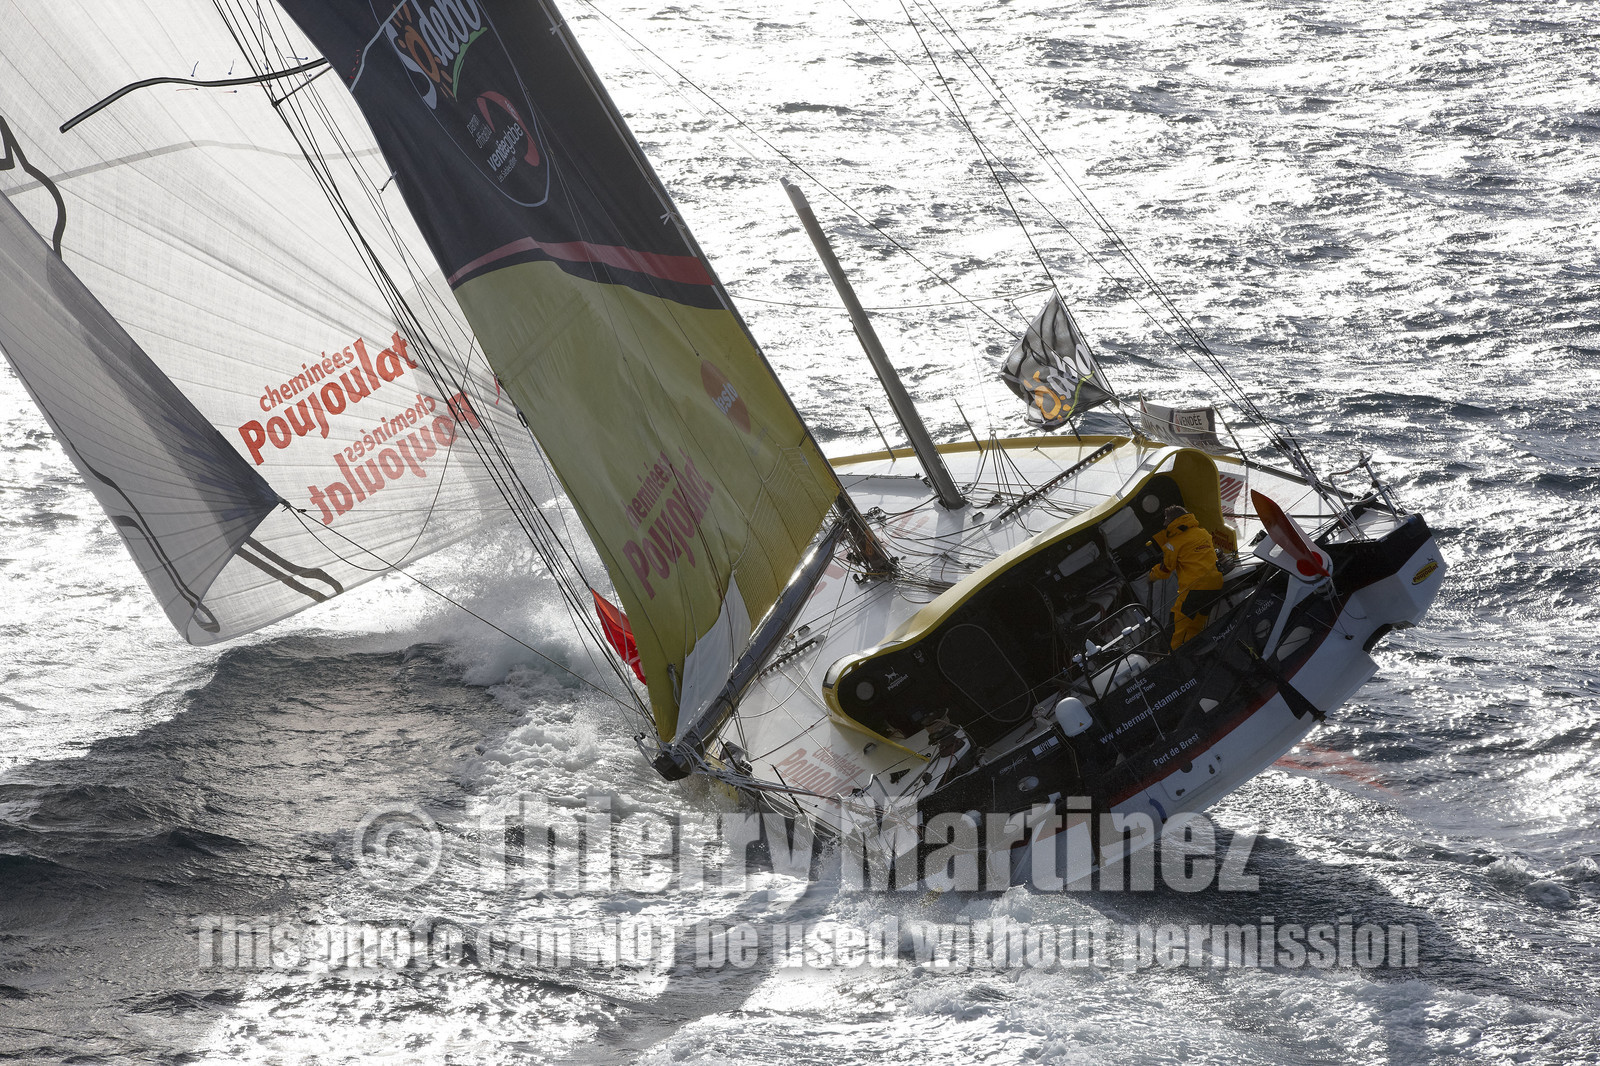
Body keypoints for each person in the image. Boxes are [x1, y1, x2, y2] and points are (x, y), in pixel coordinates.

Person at [1147, 504, 1225, 650]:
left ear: (1174, 521)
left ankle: (1169, 659)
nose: (1164, 524)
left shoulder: (1173, 544)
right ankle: (1191, 651)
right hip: (1215, 585)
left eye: (1166, 520)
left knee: (1177, 626)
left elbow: (1165, 570)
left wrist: (1151, 575)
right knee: (1195, 624)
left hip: (1195, 588)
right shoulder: (1203, 533)